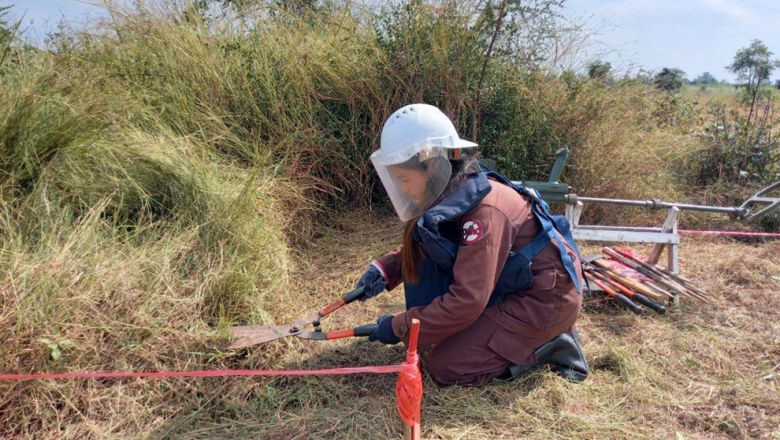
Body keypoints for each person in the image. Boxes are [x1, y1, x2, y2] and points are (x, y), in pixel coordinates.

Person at [357, 103, 588, 387]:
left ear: (431, 165)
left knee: (445, 366)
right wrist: (385, 269)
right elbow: (432, 244)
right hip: (514, 284)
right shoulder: (455, 192)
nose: (403, 188)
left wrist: (398, 326)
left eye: (404, 179)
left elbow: (467, 300)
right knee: (429, 339)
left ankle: (550, 345)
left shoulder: (485, 213)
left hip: (542, 300)